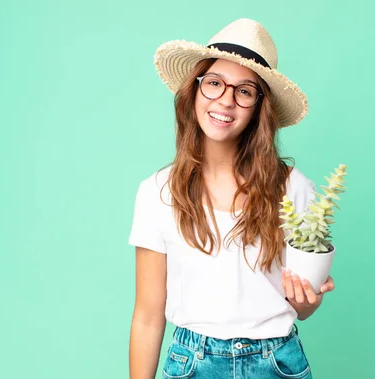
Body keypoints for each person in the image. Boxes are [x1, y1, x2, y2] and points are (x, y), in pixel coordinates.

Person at [128, 18, 335, 379]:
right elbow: (147, 315)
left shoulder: (294, 188)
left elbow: (300, 308)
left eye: (244, 90)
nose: (226, 99)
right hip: (192, 362)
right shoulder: (157, 192)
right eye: (214, 83)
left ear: (258, 107)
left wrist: (309, 300)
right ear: (194, 91)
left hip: (277, 361)